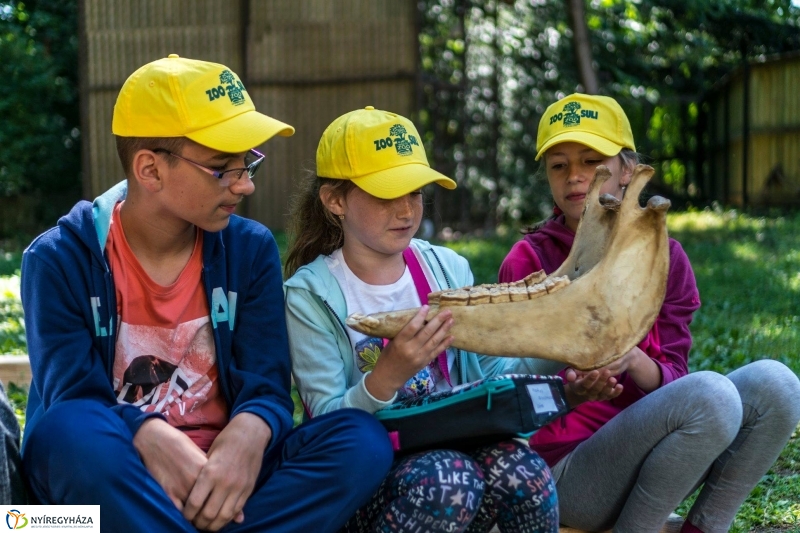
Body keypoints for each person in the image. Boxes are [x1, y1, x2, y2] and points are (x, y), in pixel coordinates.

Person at [20, 55, 392, 532]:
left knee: (361, 440)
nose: (246, 184)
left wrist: (250, 431)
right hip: (116, 481)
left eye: (248, 163)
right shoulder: (57, 258)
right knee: (67, 435)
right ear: (150, 170)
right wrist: (147, 434)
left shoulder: (250, 249)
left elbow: (267, 389)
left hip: (229, 482)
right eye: (222, 169)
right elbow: (73, 398)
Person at [498, 93, 800, 533]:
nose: (575, 176)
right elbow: (511, 392)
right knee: (713, 395)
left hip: (659, 459)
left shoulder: (666, 258)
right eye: (558, 165)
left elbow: (677, 376)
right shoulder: (529, 261)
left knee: (777, 385)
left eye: (592, 161)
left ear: (628, 170)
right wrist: (573, 383)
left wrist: (635, 361)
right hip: (562, 473)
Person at [284, 106, 559, 533]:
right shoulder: (311, 295)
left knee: (524, 473)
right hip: (369, 476)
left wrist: (563, 357)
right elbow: (327, 425)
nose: (406, 211)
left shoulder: (448, 270)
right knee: (449, 479)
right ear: (335, 200)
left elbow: (491, 372)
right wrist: (387, 376)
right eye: (385, 195)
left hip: (458, 450)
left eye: (414, 192)